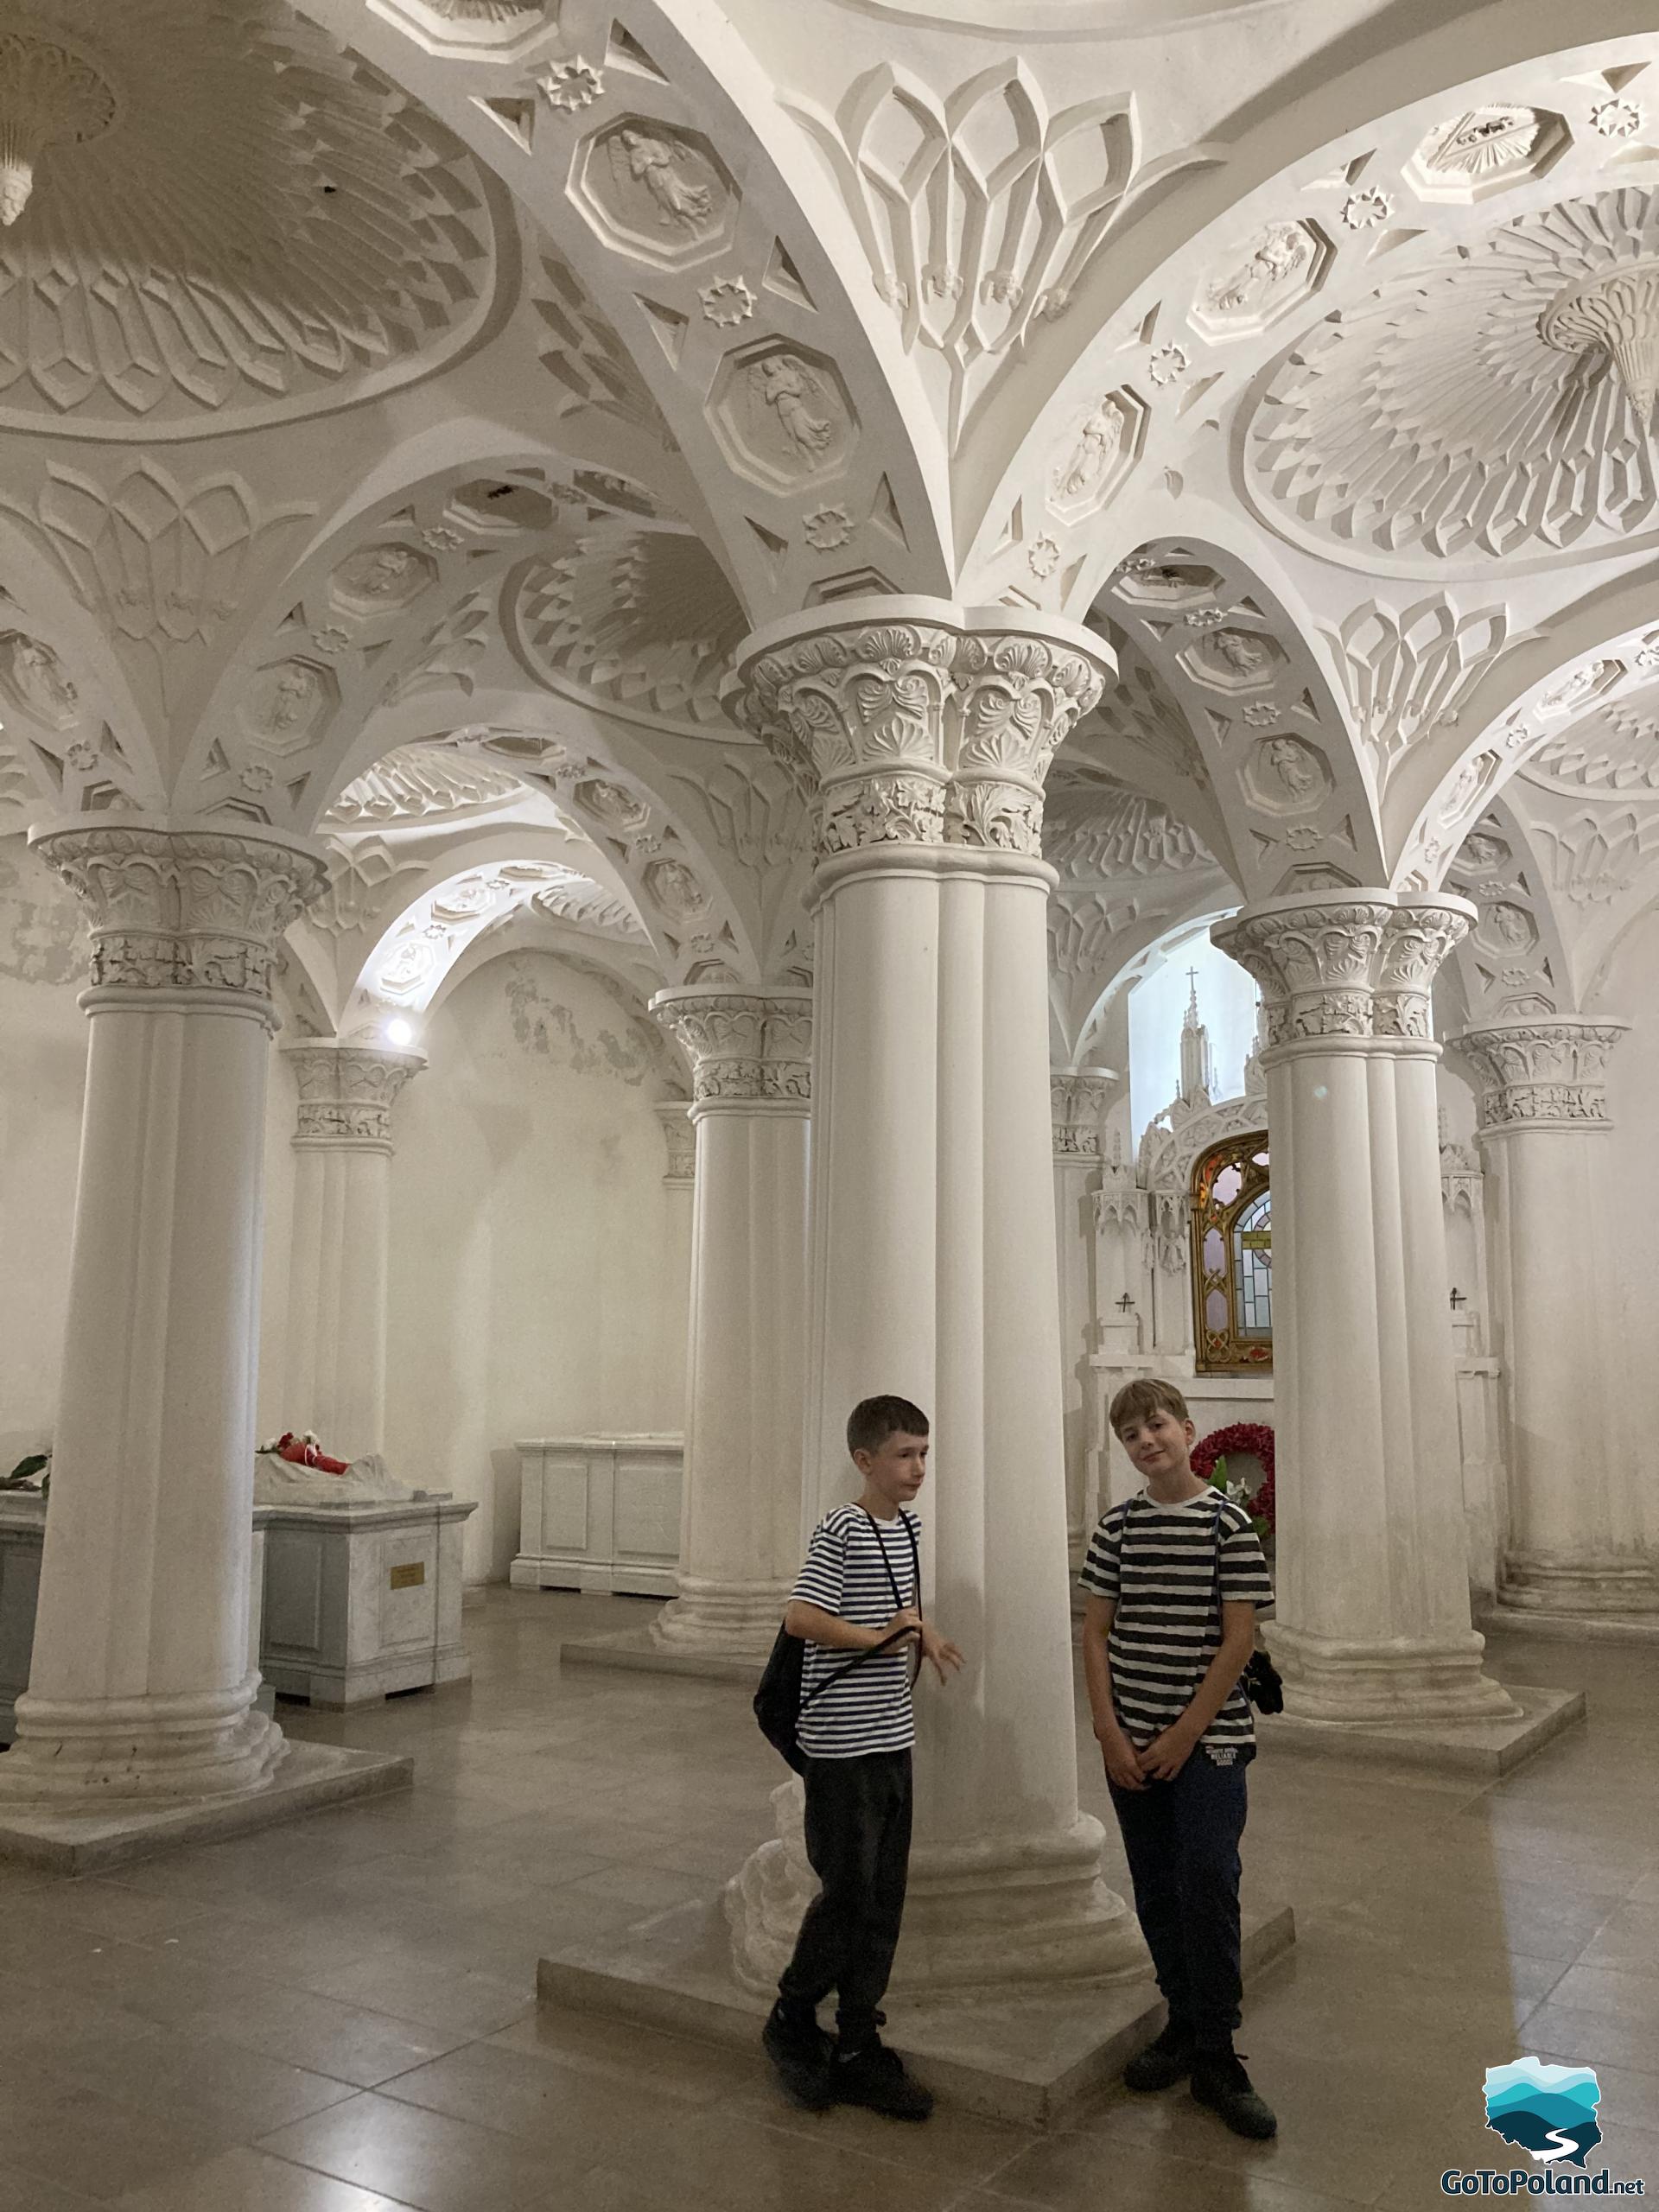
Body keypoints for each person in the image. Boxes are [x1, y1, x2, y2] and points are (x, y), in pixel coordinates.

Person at [1079, 1376, 1278, 2141]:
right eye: (1131, 1434)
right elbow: (1096, 1632)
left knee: (1207, 1876)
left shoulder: (1227, 1524)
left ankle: (1219, 2052)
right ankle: (1182, 2021)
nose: (1146, 1442)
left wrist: (1185, 1733)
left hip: (1209, 1741)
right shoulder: (1118, 1528)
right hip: (1129, 1740)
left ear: (1187, 1429)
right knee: (1157, 1884)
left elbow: (1238, 1642)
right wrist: (1107, 1730)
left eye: (1156, 1425)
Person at [761, 1395, 964, 2121]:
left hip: (891, 1738)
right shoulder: (842, 1527)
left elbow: (901, 1609)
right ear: (865, 1460)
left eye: (924, 1454)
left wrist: (926, 1635)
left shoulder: (905, 1528)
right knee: (847, 1893)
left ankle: (855, 2038)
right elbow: (802, 1617)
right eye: (905, 1454)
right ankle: (792, 2014)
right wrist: (880, 1637)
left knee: (883, 1898)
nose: (917, 1469)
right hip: (841, 1746)